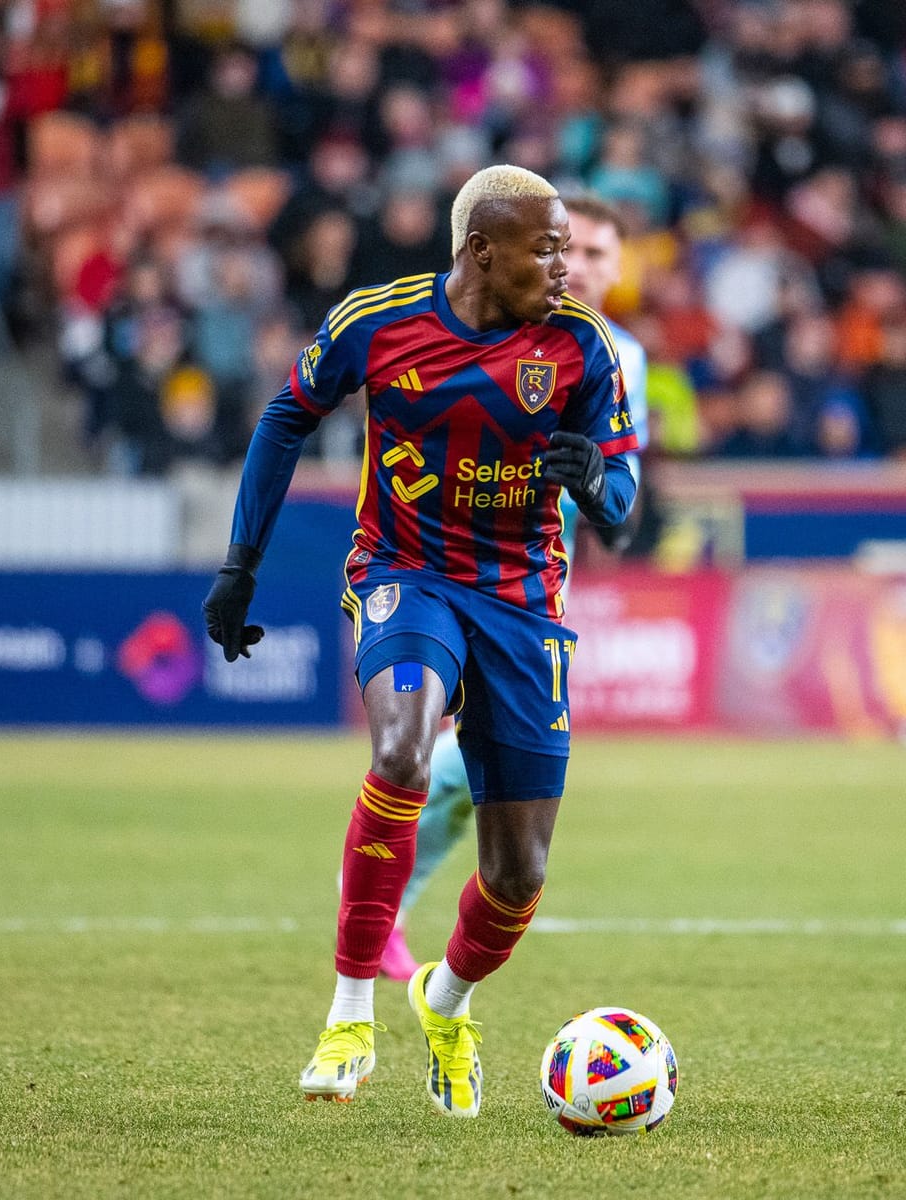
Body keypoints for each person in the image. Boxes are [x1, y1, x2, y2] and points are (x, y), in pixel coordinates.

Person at [202, 165, 639, 1116]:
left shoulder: (581, 347)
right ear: (483, 249)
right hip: (407, 575)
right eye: (549, 247)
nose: (567, 267)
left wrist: (593, 477)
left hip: (523, 601)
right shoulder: (377, 321)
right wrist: (241, 563)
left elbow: (624, 498)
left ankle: (445, 1000)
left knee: (518, 871)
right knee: (401, 753)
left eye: (570, 247)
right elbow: (285, 419)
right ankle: (349, 1015)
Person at [379, 192, 651, 982]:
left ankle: (391, 899)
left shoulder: (614, 355)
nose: (586, 269)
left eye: (603, 256)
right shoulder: (481, 325)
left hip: (539, 590)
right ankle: (383, 905)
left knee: (473, 777)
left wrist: (600, 489)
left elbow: (621, 514)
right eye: (577, 251)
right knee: (455, 766)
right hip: (451, 573)